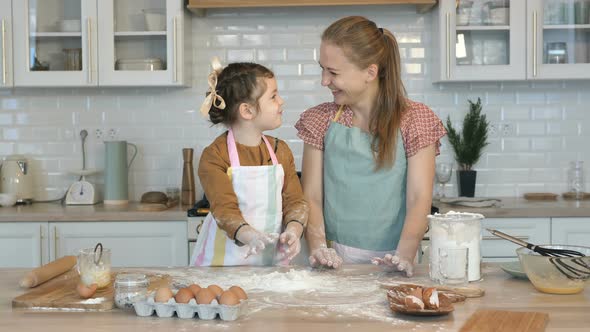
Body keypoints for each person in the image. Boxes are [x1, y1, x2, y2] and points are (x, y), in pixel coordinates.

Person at [295, 16, 446, 276]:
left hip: (397, 255)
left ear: (370, 72)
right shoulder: (320, 120)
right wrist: (319, 247)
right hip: (333, 259)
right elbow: (312, 196)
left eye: (333, 72)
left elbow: (419, 198)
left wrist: (404, 256)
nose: (324, 81)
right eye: (322, 69)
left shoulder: (415, 119)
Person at [191, 58, 309, 266]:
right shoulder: (215, 156)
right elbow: (224, 210)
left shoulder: (280, 151)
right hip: (223, 265)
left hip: (269, 262)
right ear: (247, 111)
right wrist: (251, 236)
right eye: (273, 96)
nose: (281, 101)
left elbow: (295, 202)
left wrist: (293, 229)